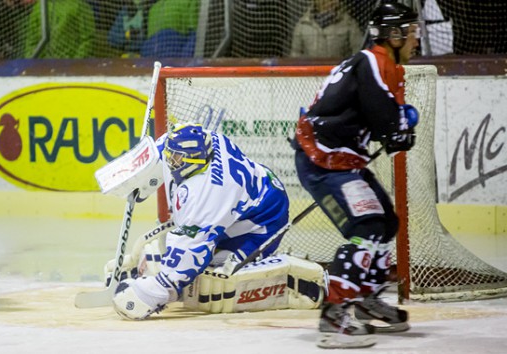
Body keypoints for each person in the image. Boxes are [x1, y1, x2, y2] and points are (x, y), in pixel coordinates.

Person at [291, 1, 420, 349]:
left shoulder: (376, 62)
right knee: (366, 227)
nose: (416, 40)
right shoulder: (374, 61)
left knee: (385, 222)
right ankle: (334, 316)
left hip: (341, 159)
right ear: (392, 35)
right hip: (324, 160)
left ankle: (364, 299)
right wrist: (399, 126)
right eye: (410, 32)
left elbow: (381, 117)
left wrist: (396, 125)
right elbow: (389, 127)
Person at [112, 123, 292, 319]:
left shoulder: (208, 194)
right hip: (251, 195)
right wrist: (140, 173)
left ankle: (284, 278)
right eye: (171, 155)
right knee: (189, 242)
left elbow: (192, 248)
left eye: (176, 158)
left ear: (195, 160)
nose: (170, 160)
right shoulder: (200, 141)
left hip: (263, 220)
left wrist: (157, 289)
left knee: (216, 272)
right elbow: (167, 142)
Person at [290, 0, 363, 59]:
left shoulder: (349, 23)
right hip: (311, 74)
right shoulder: (303, 24)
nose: (335, 2)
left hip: (339, 73)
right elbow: (295, 54)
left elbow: (358, 51)